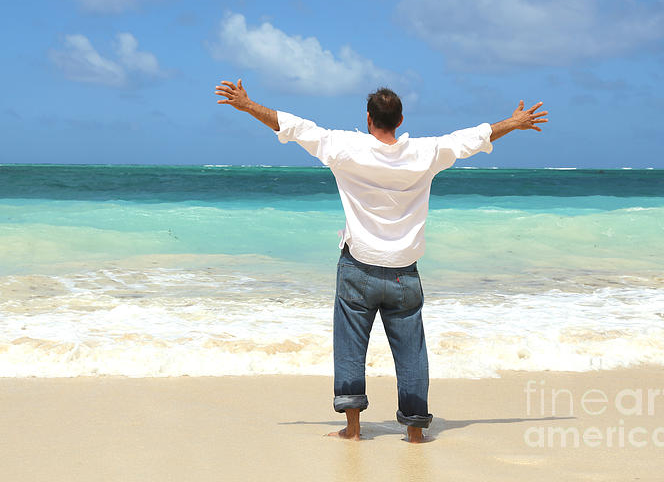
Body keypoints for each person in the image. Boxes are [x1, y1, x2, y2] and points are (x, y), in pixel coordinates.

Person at [214, 78, 548, 442]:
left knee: (350, 348)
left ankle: (353, 430)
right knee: (411, 355)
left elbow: (294, 127)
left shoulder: (345, 147)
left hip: (357, 268)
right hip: (405, 275)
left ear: (369, 118)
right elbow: (472, 138)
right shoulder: (426, 152)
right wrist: (512, 123)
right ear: (400, 120)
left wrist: (247, 105)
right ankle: (416, 433)